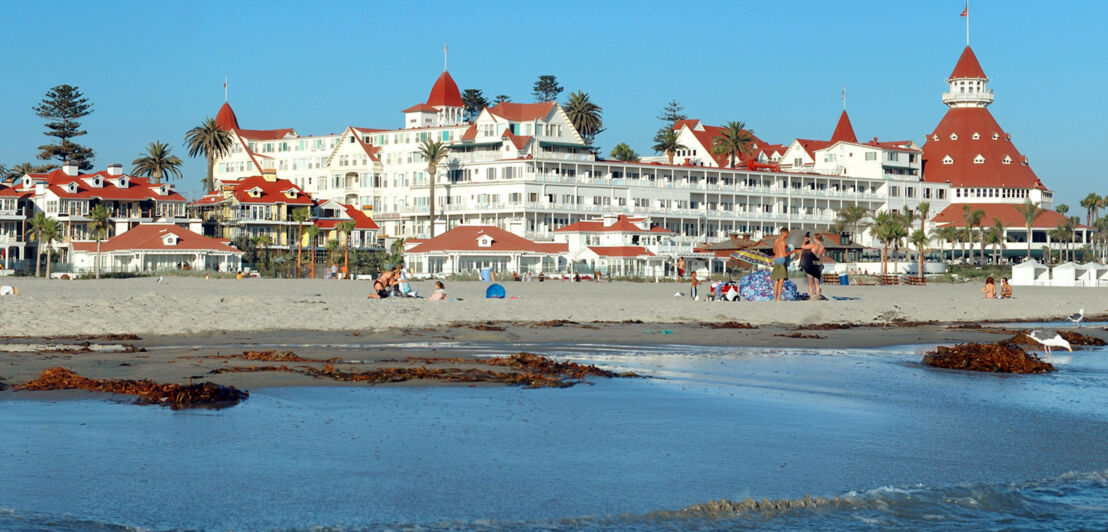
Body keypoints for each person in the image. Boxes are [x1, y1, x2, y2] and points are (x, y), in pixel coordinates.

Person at [799, 233, 826, 301]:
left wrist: (805, 241)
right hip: (818, 263)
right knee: (817, 282)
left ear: (815, 238)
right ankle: (817, 296)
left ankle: (811, 297)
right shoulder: (822, 246)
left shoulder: (814, 245)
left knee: (810, 282)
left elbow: (803, 246)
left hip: (811, 263)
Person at [771, 227, 795, 301]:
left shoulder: (776, 241)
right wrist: (792, 251)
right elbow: (784, 255)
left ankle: (774, 297)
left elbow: (774, 251)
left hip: (776, 259)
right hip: (781, 260)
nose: (787, 235)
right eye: (787, 233)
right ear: (785, 233)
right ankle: (779, 297)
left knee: (776, 280)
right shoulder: (783, 242)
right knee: (781, 279)